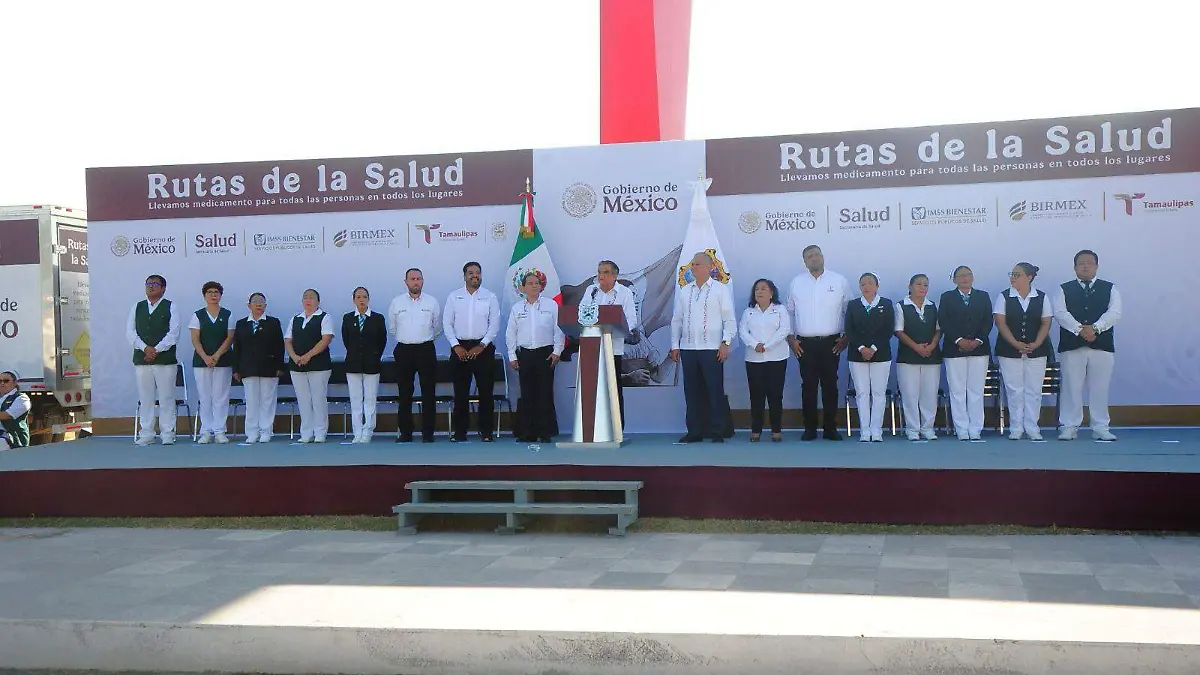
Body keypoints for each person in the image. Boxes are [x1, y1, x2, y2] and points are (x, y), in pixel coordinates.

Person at [1053, 249, 1121, 442]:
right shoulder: (1063, 289)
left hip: (1102, 346)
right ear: (1074, 267)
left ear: (1096, 266)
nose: (1085, 266)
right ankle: (1069, 426)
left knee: (1100, 387)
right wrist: (1079, 329)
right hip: (1072, 346)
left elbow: (1115, 313)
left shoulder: (1110, 288)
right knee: (1071, 387)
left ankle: (1100, 427)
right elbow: (1060, 313)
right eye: (1081, 263)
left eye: (1089, 263)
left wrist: (1096, 329)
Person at [669, 252, 736, 443]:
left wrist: (726, 342)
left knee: (714, 389)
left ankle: (717, 430)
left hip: (712, 348)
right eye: (692, 264)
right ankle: (694, 431)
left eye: (697, 264)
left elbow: (729, 319)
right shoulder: (684, 291)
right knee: (691, 391)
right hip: (688, 349)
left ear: (709, 267)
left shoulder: (720, 290)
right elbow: (677, 320)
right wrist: (675, 345)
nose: (693, 267)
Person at [786, 245, 851, 441]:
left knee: (831, 386)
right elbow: (788, 312)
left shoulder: (839, 281)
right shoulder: (797, 283)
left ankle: (830, 428)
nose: (813, 258)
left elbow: (850, 311)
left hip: (832, 342)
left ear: (823, 257)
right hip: (804, 344)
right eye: (809, 256)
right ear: (804, 262)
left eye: (816, 254)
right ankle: (810, 429)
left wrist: (846, 337)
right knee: (809, 386)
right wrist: (791, 338)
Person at [994, 262, 1052, 441]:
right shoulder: (1004, 296)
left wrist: (1036, 343)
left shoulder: (1041, 297)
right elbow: (1000, 322)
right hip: (1009, 350)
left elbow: (1046, 322)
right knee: (1014, 390)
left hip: (1037, 349)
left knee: (1034, 390)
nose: (1012, 277)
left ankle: (1032, 426)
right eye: (1012, 274)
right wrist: (1015, 343)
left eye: (1017, 274)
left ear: (1029, 277)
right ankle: (1016, 427)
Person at [443, 261, 501, 442]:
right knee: (461, 393)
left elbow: (495, 324)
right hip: (459, 348)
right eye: (471, 273)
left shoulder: (489, 296)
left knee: (486, 393)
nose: (474, 276)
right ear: (464, 276)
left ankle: (486, 432)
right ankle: (460, 432)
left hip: (483, 348)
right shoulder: (454, 297)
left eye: (478, 273)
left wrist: (482, 345)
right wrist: (455, 345)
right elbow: (447, 323)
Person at [506, 271, 565, 443]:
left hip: (545, 354)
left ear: (541, 286)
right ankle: (527, 433)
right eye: (530, 283)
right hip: (524, 354)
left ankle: (545, 432)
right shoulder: (517, 308)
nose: (534, 286)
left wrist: (557, 351)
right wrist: (512, 355)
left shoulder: (551, 305)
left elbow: (559, 329)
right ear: (522, 287)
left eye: (537, 283)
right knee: (527, 394)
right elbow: (511, 333)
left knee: (545, 393)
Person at [939, 266, 993, 440]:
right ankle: (961, 428)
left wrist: (977, 340)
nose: (964, 278)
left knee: (976, 390)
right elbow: (944, 321)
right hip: (954, 349)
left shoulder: (983, 296)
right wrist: (959, 340)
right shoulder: (947, 297)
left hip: (980, 349)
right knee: (957, 390)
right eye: (960, 276)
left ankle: (976, 428)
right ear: (954, 280)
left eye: (968, 275)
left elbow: (987, 321)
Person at [387, 268, 441, 443]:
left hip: (425, 349)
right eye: (412, 279)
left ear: (423, 281)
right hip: (404, 350)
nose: (416, 282)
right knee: (404, 393)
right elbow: (393, 328)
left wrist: (423, 339)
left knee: (428, 392)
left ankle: (428, 433)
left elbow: (437, 327)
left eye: (418, 279)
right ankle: (405, 433)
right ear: (406, 282)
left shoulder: (432, 302)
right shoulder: (396, 303)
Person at [126, 274, 180, 446]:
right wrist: (145, 349)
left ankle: (167, 433)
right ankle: (147, 433)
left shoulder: (171, 306)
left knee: (166, 397)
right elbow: (130, 332)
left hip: (165, 360)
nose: (151, 286)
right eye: (148, 283)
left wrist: (156, 350)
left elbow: (174, 333)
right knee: (146, 398)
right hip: (142, 360)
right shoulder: (137, 306)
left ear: (163, 288)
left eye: (155, 284)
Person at [582, 260, 638, 425]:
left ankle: (616, 427)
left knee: (613, 389)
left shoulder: (625, 293)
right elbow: (581, 314)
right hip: (592, 347)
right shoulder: (591, 291)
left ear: (615, 276)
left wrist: (614, 326)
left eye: (605, 272)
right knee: (593, 390)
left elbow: (631, 320)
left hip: (613, 348)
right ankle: (593, 427)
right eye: (599, 272)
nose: (601, 276)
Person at [845, 273, 895, 442]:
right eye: (863, 284)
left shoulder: (886, 304)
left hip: (880, 354)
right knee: (862, 393)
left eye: (870, 283)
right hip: (857, 355)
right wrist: (861, 348)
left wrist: (872, 348)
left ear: (877, 286)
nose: (866, 287)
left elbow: (888, 329)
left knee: (879, 393)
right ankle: (865, 431)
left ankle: (877, 430)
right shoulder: (853, 305)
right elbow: (849, 329)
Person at [739, 279, 789, 443]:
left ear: (771, 292)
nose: (759, 292)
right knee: (756, 395)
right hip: (754, 359)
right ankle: (756, 430)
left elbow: (784, 330)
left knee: (775, 395)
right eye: (757, 289)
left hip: (777, 357)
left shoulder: (780, 310)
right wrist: (755, 345)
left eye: (763, 288)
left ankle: (776, 430)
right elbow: (743, 331)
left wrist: (767, 346)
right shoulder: (749, 312)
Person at [894, 274, 942, 441]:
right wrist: (916, 347)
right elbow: (898, 331)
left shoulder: (932, 306)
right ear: (910, 286)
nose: (923, 287)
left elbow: (938, 329)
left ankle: (928, 428)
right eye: (919, 284)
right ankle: (913, 429)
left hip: (931, 356)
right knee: (910, 394)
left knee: (929, 393)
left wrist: (932, 346)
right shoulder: (901, 306)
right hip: (908, 358)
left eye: (926, 285)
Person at [231, 292, 284, 443]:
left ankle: (266, 431)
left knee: (268, 400)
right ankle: (252, 432)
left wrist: (279, 366)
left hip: (269, 367)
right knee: (251, 400)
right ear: (249, 305)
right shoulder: (242, 323)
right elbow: (237, 348)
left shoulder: (273, 322)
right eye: (255, 302)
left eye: (261, 302)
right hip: (248, 368)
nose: (258, 304)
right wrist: (236, 369)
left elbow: (280, 346)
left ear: (265, 305)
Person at [284, 288, 334, 443]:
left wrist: (308, 356)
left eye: (311, 297)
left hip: (319, 366)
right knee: (303, 399)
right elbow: (288, 340)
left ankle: (320, 432)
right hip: (297, 366)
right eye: (305, 297)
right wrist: (294, 357)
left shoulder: (325, 317)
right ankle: (306, 432)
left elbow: (325, 339)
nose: (308, 300)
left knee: (318, 399)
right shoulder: (296, 319)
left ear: (318, 301)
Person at [188, 281, 235, 444]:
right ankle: (206, 431)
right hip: (202, 362)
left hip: (223, 361)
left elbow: (229, 338)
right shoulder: (197, 315)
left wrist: (216, 356)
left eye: (216, 292)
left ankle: (220, 431)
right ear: (204, 295)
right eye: (210, 292)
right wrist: (206, 357)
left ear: (220, 295)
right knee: (205, 396)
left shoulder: (228, 314)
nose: (213, 295)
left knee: (221, 396)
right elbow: (195, 339)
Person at [342, 287, 388, 443]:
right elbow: (346, 340)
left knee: (369, 399)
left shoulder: (377, 318)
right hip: (353, 364)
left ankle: (368, 430)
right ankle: (357, 431)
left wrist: (374, 356)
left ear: (369, 299)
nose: (361, 300)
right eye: (358, 297)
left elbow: (382, 340)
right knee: (355, 399)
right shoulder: (347, 318)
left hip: (372, 364)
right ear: (353, 299)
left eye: (364, 297)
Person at [0, 370, 31, 450]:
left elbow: (7, 415)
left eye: (6, 381)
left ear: (14, 383)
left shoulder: (22, 398)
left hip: (15, 442)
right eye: (0, 381)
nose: (2, 383)